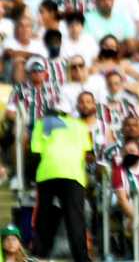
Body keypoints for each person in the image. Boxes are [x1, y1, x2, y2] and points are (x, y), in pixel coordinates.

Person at [30, 98, 91, 261]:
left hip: (47, 172)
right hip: (73, 174)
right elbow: (87, 152)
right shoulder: (80, 125)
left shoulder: (41, 123)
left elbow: (36, 152)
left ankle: (40, 254)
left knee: (44, 215)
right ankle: (81, 258)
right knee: (75, 219)